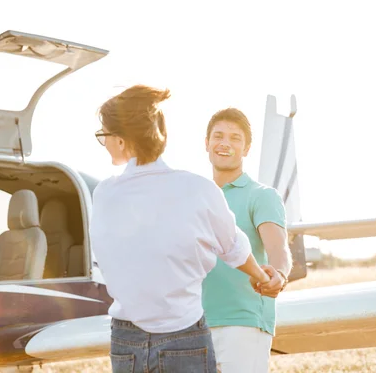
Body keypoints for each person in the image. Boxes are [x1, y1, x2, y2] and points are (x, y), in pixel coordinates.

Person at [89, 85, 272, 373]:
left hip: (125, 341)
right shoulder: (198, 189)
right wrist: (261, 276)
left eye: (104, 136)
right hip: (184, 335)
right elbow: (233, 247)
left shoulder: (103, 194)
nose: (104, 143)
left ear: (122, 141)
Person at [202, 107, 293, 373]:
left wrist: (279, 274)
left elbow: (278, 248)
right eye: (218, 136)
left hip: (243, 322)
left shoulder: (261, 195)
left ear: (247, 148)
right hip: (193, 323)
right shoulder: (196, 197)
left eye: (235, 138)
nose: (225, 144)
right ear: (206, 143)